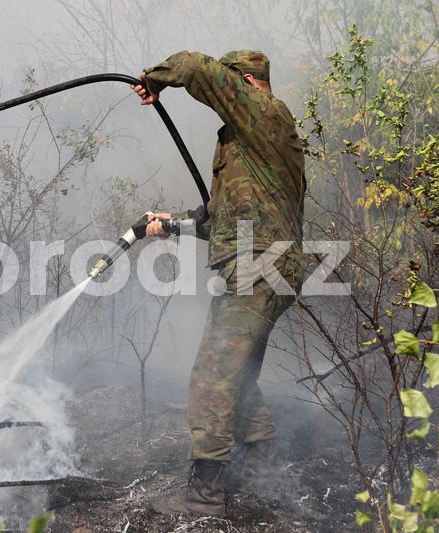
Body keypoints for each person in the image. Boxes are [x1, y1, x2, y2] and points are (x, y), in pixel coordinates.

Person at [131, 49, 305, 516]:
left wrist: (156, 79)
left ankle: (204, 495)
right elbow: (221, 220)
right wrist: (167, 224)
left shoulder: (264, 112)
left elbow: (192, 65)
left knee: (211, 378)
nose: (227, 97)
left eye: (232, 87)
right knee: (238, 372)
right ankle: (265, 469)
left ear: (247, 81)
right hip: (269, 269)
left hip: (258, 269)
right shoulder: (256, 142)